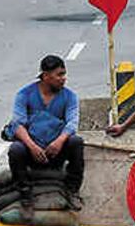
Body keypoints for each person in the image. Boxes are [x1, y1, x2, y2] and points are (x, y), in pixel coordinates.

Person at [6, 55, 85, 213]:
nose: (63, 79)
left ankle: (72, 190)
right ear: (46, 76)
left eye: (64, 74)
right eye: (59, 75)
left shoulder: (70, 97)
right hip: (33, 152)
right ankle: (25, 193)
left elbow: (72, 123)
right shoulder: (24, 94)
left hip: (56, 151)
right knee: (16, 149)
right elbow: (17, 124)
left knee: (76, 142)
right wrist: (32, 147)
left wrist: (59, 142)